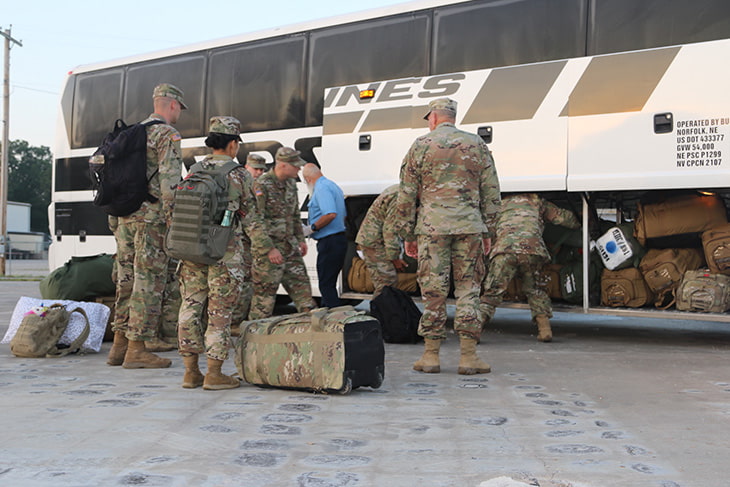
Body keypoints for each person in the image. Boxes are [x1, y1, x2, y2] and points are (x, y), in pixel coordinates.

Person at [395, 97, 501, 375]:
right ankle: (468, 356)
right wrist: (488, 230)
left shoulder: (420, 145)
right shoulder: (477, 144)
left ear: (433, 118)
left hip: (432, 229)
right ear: (453, 117)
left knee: (433, 290)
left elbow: (406, 194)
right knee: (468, 290)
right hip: (469, 227)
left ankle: (431, 356)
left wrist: (407, 234)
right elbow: (491, 192)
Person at [176, 116, 271, 390]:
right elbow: (251, 218)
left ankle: (190, 372)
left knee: (190, 308)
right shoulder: (238, 174)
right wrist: (266, 250)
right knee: (219, 313)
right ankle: (214, 373)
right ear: (231, 144)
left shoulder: (193, 170)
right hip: (223, 253)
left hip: (191, 249)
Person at [107, 83, 186, 369]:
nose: (179, 114)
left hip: (125, 217)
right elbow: (170, 182)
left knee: (126, 280)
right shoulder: (167, 134)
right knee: (148, 282)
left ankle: (118, 346)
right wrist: (173, 220)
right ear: (172, 105)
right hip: (151, 220)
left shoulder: (132, 133)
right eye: (180, 109)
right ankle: (137, 349)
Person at [480, 193, 580, 342]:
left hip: (505, 250)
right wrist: (583, 220)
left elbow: (488, 230)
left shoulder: (499, 205)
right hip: (533, 250)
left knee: (492, 292)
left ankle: (474, 330)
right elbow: (566, 219)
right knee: (535, 290)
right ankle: (545, 330)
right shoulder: (538, 202)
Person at [248, 147, 316, 320]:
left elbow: (293, 215)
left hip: (289, 247)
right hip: (269, 253)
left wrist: (300, 239)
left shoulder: (291, 185)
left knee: (304, 293)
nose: (299, 169)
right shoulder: (262, 185)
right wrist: (269, 249)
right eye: (295, 166)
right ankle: (255, 337)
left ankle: (314, 332)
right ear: (283, 165)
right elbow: (255, 221)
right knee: (264, 300)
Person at [230, 153, 268, 335]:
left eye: (261, 169)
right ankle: (232, 322)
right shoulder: (242, 185)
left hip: (252, 240)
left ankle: (237, 321)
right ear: (247, 167)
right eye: (256, 169)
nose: (259, 172)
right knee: (241, 282)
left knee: (249, 282)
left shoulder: (258, 187)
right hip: (241, 241)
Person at [302, 163, 347, 308]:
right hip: (338, 239)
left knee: (326, 284)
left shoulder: (321, 189)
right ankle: (332, 315)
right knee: (329, 281)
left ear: (308, 179)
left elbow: (330, 214)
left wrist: (312, 228)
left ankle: (332, 319)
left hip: (329, 241)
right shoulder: (332, 185)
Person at [355, 184, 409, 298]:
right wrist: (395, 258)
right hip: (374, 242)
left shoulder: (401, 189)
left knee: (386, 282)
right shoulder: (400, 196)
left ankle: (385, 312)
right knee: (386, 282)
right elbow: (390, 230)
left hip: (375, 239)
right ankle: (383, 313)